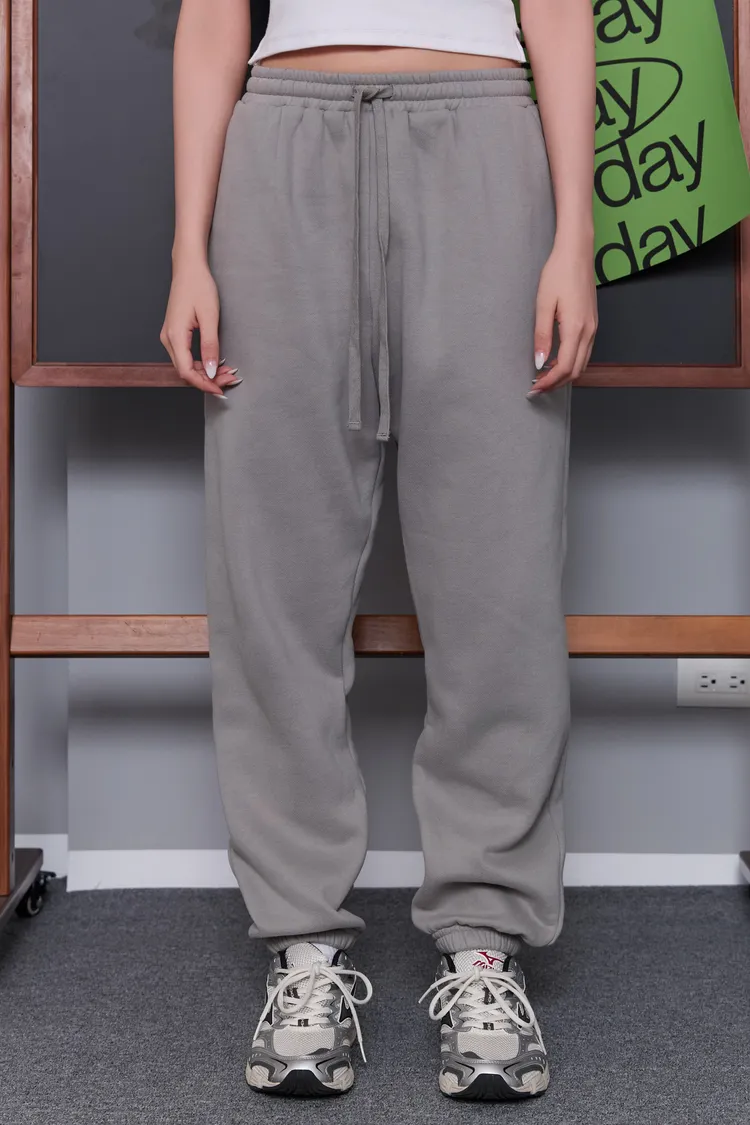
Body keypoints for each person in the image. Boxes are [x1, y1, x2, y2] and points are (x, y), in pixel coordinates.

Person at [160, 0, 597, 1102]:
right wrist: (188, 250)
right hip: (281, 147)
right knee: (272, 583)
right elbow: (211, 23)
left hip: (485, 141)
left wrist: (573, 237)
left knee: (499, 580)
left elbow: (559, 11)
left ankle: (486, 945)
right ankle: (302, 946)